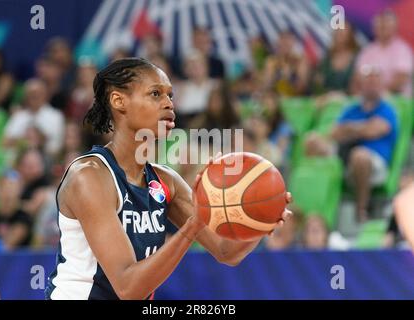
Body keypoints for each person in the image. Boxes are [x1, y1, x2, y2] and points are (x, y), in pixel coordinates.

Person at [45, 58, 292, 300]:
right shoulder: (89, 176)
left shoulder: (165, 180)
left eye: (170, 95)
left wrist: (261, 217)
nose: (169, 103)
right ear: (119, 101)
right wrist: (191, 227)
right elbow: (128, 288)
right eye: (155, 94)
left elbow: (226, 251)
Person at [305, 65, 397, 223]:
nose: (371, 85)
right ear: (361, 84)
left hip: (374, 163)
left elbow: (377, 129)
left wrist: (350, 129)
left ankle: (361, 210)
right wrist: (362, 128)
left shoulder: (387, 109)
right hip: (344, 154)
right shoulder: (352, 108)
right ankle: (313, 210)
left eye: (375, 82)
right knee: (312, 141)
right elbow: (334, 133)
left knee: (359, 156)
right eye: (368, 82)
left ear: (381, 85)